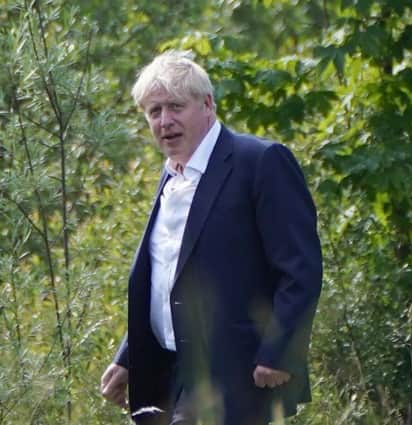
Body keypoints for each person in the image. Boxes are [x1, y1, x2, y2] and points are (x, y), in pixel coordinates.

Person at [100, 50, 323, 425]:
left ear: (207, 105)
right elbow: (167, 276)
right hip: (165, 372)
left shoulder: (261, 161)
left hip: (235, 373)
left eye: (175, 107)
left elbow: (301, 269)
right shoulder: (172, 175)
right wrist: (129, 356)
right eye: (154, 112)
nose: (165, 121)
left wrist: (280, 352)